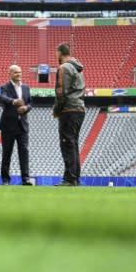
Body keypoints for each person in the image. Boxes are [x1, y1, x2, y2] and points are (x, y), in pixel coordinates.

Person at [53, 43, 85, 187]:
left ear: (60, 53)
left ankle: (70, 179)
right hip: (79, 108)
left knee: (67, 144)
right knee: (73, 144)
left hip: (69, 110)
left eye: (56, 53)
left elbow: (61, 92)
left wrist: (57, 110)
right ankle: (75, 178)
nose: (56, 56)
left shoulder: (64, 68)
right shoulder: (78, 68)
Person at [0, 65, 33, 186]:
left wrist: (25, 108)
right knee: (6, 153)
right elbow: (2, 97)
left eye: (20, 72)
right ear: (10, 73)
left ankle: (26, 179)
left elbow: (30, 103)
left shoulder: (26, 87)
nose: (19, 74)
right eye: (16, 72)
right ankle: (6, 180)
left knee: (24, 152)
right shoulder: (5, 87)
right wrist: (14, 101)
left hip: (22, 126)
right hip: (8, 126)